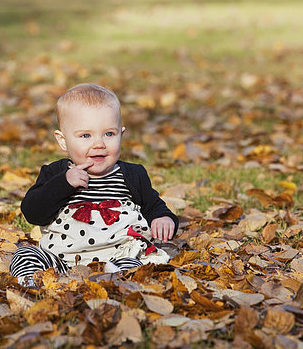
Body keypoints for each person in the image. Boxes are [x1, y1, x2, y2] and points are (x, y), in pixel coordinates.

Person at [10, 83, 178, 287]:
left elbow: (153, 205)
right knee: (25, 254)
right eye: (85, 136)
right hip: (63, 261)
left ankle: (116, 281)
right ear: (63, 141)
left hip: (119, 255)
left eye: (108, 134)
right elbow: (33, 212)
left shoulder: (133, 175)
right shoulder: (56, 173)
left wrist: (163, 218)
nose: (99, 144)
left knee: (140, 263)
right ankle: (32, 283)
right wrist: (64, 184)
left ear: (121, 135)